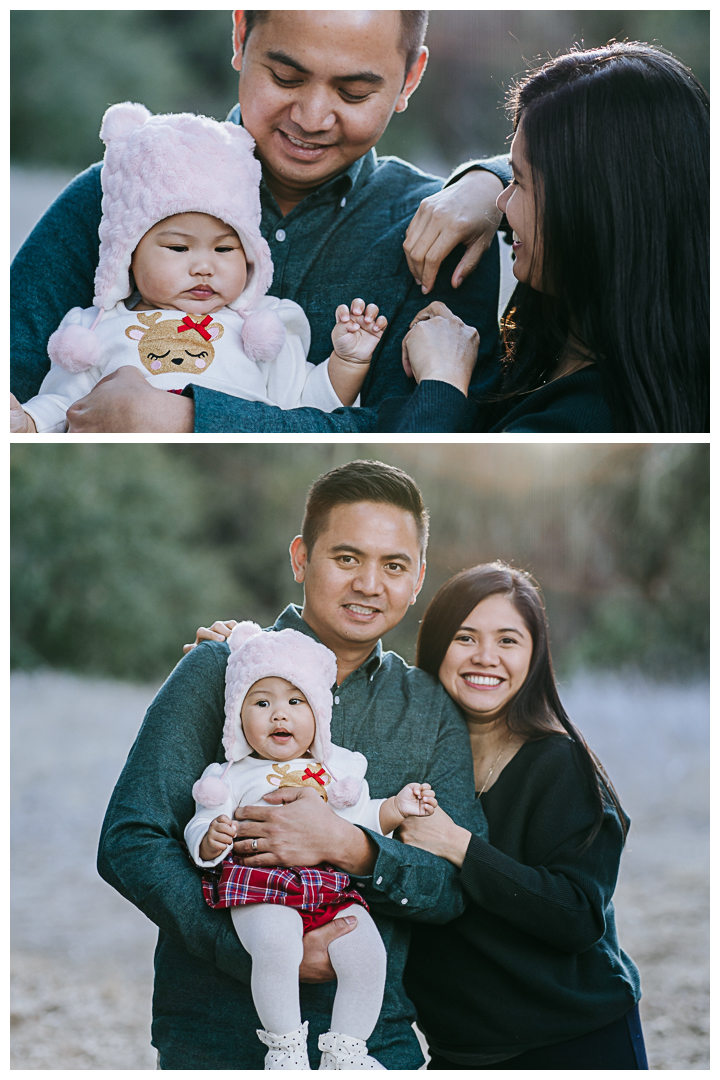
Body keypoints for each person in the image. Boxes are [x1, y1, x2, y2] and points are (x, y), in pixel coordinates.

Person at [97, 460, 485, 1069]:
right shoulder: (218, 669)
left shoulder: (428, 709)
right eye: (347, 558)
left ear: (417, 579)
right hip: (220, 1038)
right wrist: (249, 948)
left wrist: (351, 846)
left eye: (394, 566)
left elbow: (458, 883)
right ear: (302, 559)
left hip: (374, 1042)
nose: (369, 585)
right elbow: (129, 839)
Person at [11, 10, 510, 433]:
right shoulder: (124, 189)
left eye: (354, 92)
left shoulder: (441, 228)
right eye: (286, 78)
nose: (312, 117)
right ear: (240, 35)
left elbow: (417, 428)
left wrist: (189, 418)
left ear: (410, 79)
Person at [395, 563, 647, 1069]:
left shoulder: (560, 764)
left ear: (533, 656)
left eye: (508, 640)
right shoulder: (406, 758)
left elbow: (578, 916)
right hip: (461, 1050)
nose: (485, 658)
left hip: (574, 1041)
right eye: (466, 637)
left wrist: (459, 846)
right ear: (437, 645)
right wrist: (242, 650)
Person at [384, 42, 709, 433]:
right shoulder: (570, 318)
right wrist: (482, 182)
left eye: (518, 183)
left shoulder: (586, 421)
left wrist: (443, 383)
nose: (502, 204)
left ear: (592, 209)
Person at [11, 103, 387, 432]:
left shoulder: (261, 328)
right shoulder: (96, 329)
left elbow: (309, 403)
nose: (204, 267)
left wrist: (348, 360)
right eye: (178, 247)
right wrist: (27, 423)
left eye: (225, 248)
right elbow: (66, 407)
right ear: (127, 254)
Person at [186, 620, 436, 1069]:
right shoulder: (230, 774)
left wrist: (397, 808)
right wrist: (210, 840)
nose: (279, 714)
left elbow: (360, 820)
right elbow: (203, 821)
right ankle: (285, 1050)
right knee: (277, 946)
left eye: (295, 702)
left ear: (318, 714)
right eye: (262, 702)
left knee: (366, 952)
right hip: (260, 884)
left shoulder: (333, 771)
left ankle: (345, 1050)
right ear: (238, 716)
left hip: (328, 886)